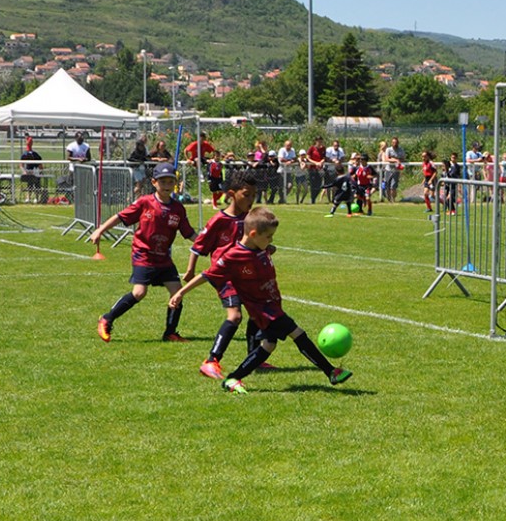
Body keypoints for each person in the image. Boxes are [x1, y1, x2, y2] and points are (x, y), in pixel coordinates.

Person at [170, 207, 353, 394]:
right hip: (264, 311)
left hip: (273, 305)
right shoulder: (234, 256)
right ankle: (331, 371)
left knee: (268, 345)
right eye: (268, 236)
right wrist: (180, 293)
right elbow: (207, 275)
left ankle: (233, 378)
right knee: (298, 334)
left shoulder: (260, 248)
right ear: (253, 234)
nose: (271, 240)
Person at [91, 162, 197, 343]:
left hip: (163, 258)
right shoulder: (145, 202)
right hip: (144, 255)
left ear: (175, 184)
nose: (166, 185)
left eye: (170, 181)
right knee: (139, 292)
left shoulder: (178, 208)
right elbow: (120, 217)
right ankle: (107, 319)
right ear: (154, 182)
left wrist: (208, 245)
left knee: (177, 292)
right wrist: (100, 230)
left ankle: (170, 333)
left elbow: (189, 233)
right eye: (162, 181)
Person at [181, 170, 260, 379]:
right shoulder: (219, 220)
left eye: (254, 195)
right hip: (224, 275)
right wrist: (190, 270)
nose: (251, 200)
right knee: (235, 316)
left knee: (256, 312)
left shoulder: (250, 219)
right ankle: (211, 361)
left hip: (245, 275)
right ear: (232, 194)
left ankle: (255, 359)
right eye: (247, 195)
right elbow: (198, 247)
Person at [20, 137, 45, 203]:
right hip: (29, 172)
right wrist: (24, 172)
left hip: (36, 171)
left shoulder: (36, 155)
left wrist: (40, 172)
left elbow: (40, 166)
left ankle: (36, 198)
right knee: (30, 184)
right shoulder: (24, 155)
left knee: (37, 184)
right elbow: (21, 165)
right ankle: (28, 198)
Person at [305, 137, 326, 204]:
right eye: (318, 141)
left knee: (320, 185)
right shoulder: (312, 148)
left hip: (319, 169)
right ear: (316, 141)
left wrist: (321, 162)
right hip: (312, 169)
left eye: (321, 141)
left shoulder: (323, 149)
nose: (320, 142)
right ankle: (313, 199)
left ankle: (313, 197)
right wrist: (315, 163)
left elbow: (324, 157)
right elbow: (308, 157)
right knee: (313, 185)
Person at [383, 137, 403, 203]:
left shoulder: (401, 150)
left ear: (398, 143)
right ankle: (389, 200)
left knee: (393, 186)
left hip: (396, 170)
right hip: (388, 170)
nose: (395, 144)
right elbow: (387, 159)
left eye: (396, 142)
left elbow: (403, 158)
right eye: (393, 142)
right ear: (391, 143)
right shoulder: (388, 149)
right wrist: (395, 160)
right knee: (387, 185)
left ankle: (393, 200)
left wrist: (395, 159)